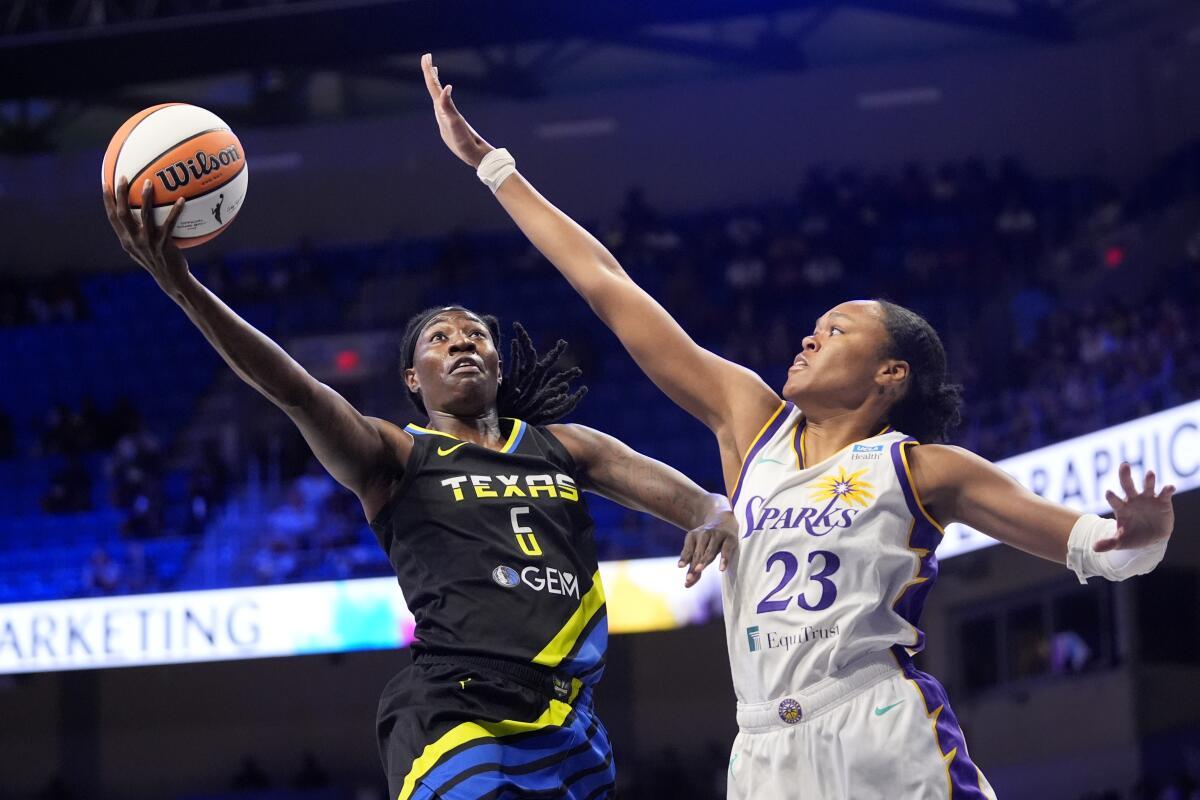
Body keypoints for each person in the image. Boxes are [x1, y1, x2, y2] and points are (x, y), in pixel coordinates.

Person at [421, 52, 1178, 799]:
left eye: (838, 331)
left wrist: (1140, 538)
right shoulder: (752, 423)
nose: (811, 338)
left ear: (891, 375)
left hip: (877, 725)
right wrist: (493, 167)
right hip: (763, 748)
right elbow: (607, 285)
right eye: (815, 327)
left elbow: (1095, 549)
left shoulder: (924, 469)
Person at [103, 176, 738, 800]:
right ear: (413, 378)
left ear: (496, 362)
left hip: (572, 724)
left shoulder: (567, 446)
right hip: (454, 713)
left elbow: (701, 502)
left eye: (476, 335)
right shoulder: (396, 454)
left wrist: (713, 515)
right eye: (440, 338)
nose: (461, 341)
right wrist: (183, 287)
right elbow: (294, 389)